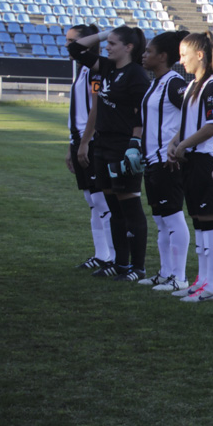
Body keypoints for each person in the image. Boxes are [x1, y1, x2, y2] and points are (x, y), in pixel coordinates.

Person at [68, 25, 151, 282]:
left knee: (130, 206)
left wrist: (134, 144)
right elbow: (75, 49)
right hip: (102, 146)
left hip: (123, 146)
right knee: (114, 208)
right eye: (107, 42)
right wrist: (107, 33)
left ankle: (138, 267)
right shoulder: (106, 67)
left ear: (129, 47)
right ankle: (120, 263)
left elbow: (142, 114)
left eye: (113, 43)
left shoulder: (136, 75)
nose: (107, 47)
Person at [169, 31, 213, 303]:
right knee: (200, 226)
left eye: (184, 55)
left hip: (207, 163)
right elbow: (188, 123)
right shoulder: (193, 85)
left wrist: (183, 146)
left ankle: (211, 287)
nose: (180, 60)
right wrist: (175, 142)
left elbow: (211, 127)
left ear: (200, 55)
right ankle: (201, 281)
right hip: (192, 162)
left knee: (211, 223)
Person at [137, 30, 190, 292]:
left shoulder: (174, 83)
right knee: (160, 220)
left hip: (167, 161)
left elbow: (193, 115)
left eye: (148, 51)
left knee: (173, 217)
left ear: (163, 56)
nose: (144, 55)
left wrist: (178, 148)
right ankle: (165, 272)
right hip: (152, 160)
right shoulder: (156, 82)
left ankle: (179, 277)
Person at [64, 24, 114, 272]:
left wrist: (85, 142)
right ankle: (101, 254)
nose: (68, 45)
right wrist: (71, 146)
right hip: (79, 141)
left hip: (91, 142)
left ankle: (111, 257)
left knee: (100, 200)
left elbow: (96, 108)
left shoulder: (95, 72)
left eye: (73, 40)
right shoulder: (82, 71)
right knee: (91, 199)